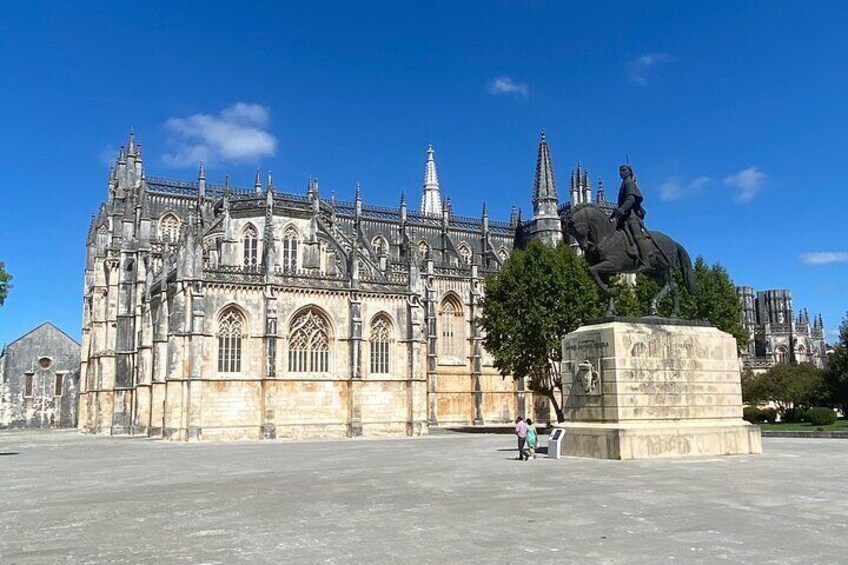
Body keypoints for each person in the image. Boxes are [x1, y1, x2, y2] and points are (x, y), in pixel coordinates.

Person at [609, 164, 652, 268]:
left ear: (630, 171)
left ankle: (646, 262)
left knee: (637, 237)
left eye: (624, 170)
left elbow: (631, 200)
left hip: (631, 216)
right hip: (623, 217)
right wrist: (615, 212)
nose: (621, 173)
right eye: (620, 171)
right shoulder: (624, 184)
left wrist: (622, 209)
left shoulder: (629, 183)